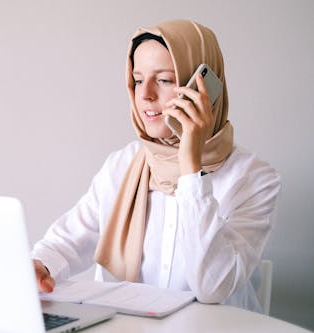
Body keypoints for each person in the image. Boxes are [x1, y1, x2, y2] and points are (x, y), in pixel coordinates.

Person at [31, 19, 281, 313]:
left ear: (205, 88)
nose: (145, 94)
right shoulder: (121, 165)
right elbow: (68, 240)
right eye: (138, 79)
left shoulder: (255, 179)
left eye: (164, 79)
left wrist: (191, 166)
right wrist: (39, 264)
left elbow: (213, 286)